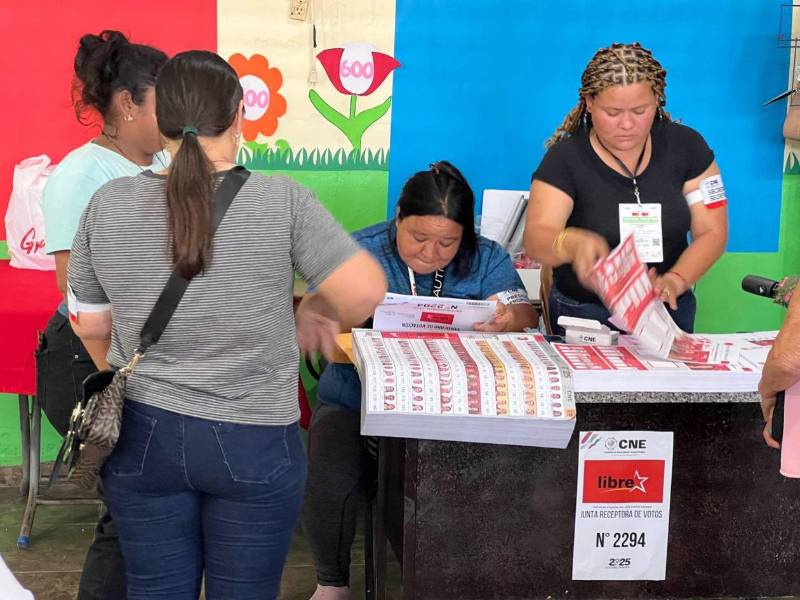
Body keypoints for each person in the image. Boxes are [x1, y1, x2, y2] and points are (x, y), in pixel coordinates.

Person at [67, 49, 386, 599]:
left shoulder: (108, 203)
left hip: (143, 438)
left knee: (155, 589)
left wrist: (124, 377)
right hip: (255, 440)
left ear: (160, 116)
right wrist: (316, 307)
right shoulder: (282, 200)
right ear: (240, 116)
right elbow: (365, 294)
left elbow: (90, 324)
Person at [299, 161, 539, 600]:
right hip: (357, 400)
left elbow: (522, 310)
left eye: (447, 242)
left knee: (462, 477)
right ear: (398, 219)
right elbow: (326, 329)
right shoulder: (362, 251)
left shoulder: (486, 257)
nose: (430, 253)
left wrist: (509, 318)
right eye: (418, 238)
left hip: (454, 406)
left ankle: (449, 577)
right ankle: (331, 583)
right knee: (330, 469)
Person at [39, 30, 168, 600]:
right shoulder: (79, 177)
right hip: (91, 361)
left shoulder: (168, 163)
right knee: (134, 512)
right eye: (169, 98)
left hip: (145, 359)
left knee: (154, 513)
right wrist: (119, 387)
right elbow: (79, 298)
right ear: (128, 103)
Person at [525, 42, 728, 335]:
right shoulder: (564, 159)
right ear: (589, 102)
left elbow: (713, 230)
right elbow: (536, 236)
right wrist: (570, 242)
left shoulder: (688, 148)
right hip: (585, 316)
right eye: (613, 112)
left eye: (640, 110)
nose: (627, 124)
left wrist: (676, 280)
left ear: (658, 100)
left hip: (668, 312)